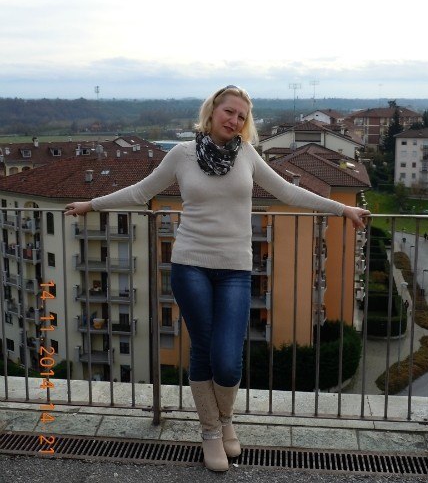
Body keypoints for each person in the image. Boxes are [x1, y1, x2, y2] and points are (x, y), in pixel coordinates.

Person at [65, 85, 370, 472]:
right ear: (211, 112)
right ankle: (211, 431)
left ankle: (225, 420)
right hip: (189, 264)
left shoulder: (247, 156)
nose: (235, 120)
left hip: (235, 270)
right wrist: (91, 204)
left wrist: (342, 210)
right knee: (203, 348)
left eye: (242, 116)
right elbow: (142, 192)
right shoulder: (182, 154)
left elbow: (289, 193)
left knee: (227, 359)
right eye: (229, 112)